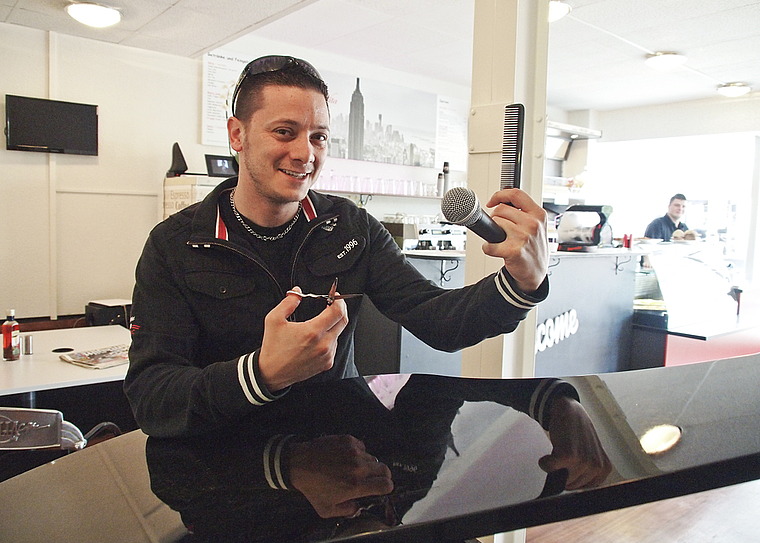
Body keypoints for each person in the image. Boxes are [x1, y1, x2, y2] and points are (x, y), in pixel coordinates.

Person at [124, 55, 609, 492]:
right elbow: (153, 395)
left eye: (318, 137)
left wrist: (521, 286)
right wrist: (261, 374)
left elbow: (436, 318)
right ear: (237, 135)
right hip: (225, 475)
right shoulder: (174, 245)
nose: (305, 153)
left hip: (344, 458)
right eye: (284, 131)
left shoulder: (350, 226)